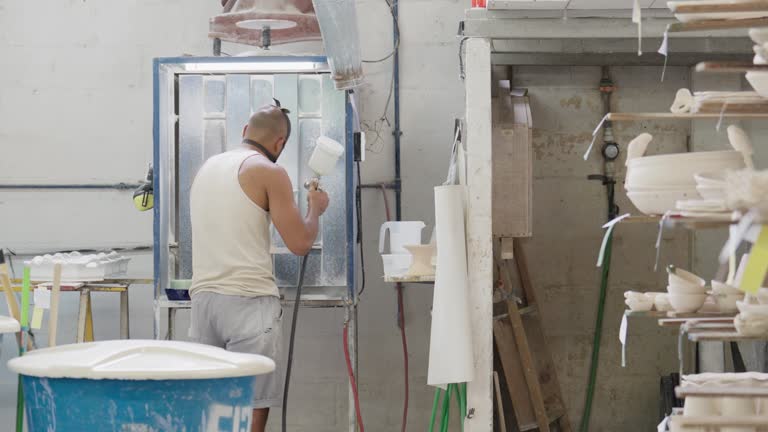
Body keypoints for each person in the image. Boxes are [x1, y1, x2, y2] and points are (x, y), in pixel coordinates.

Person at [189, 101, 329, 432]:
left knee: (207, 402)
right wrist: (315, 209)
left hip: (204, 301)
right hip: (248, 303)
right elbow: (300, 244)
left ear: (244, 132)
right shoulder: (268, 171)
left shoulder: (207, 168)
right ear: (280, 144)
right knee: (253, 402)